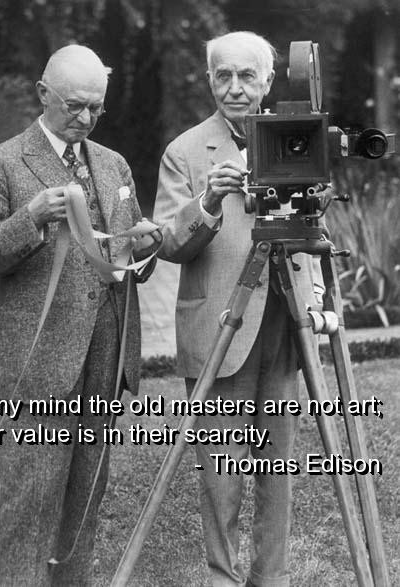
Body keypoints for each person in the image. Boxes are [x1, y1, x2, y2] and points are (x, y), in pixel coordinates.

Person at [0, 44, 160, 586]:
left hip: (105, 356)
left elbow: (123, 254)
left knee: (86, 497)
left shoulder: (114, 164)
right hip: (37, 365)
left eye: (97, 107)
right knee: (30, 503)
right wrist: (28, 218)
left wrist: (146, 246)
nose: (86, 118)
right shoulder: (0, 163)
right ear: (42, 94)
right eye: (75, 106)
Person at [153, 31, 323, 587]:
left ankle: (271, 577)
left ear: (268, 81)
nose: (234, 88)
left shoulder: (296, 137)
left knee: (277, 468)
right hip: (219, 329)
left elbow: (316, 225)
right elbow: (168, 244)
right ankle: (222, 578)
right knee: (221, 476)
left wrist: (316, 299)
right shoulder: (184, 152)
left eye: (247, 75)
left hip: (283, 323)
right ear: (209, 80)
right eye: (223, 75)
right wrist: (208, 199)